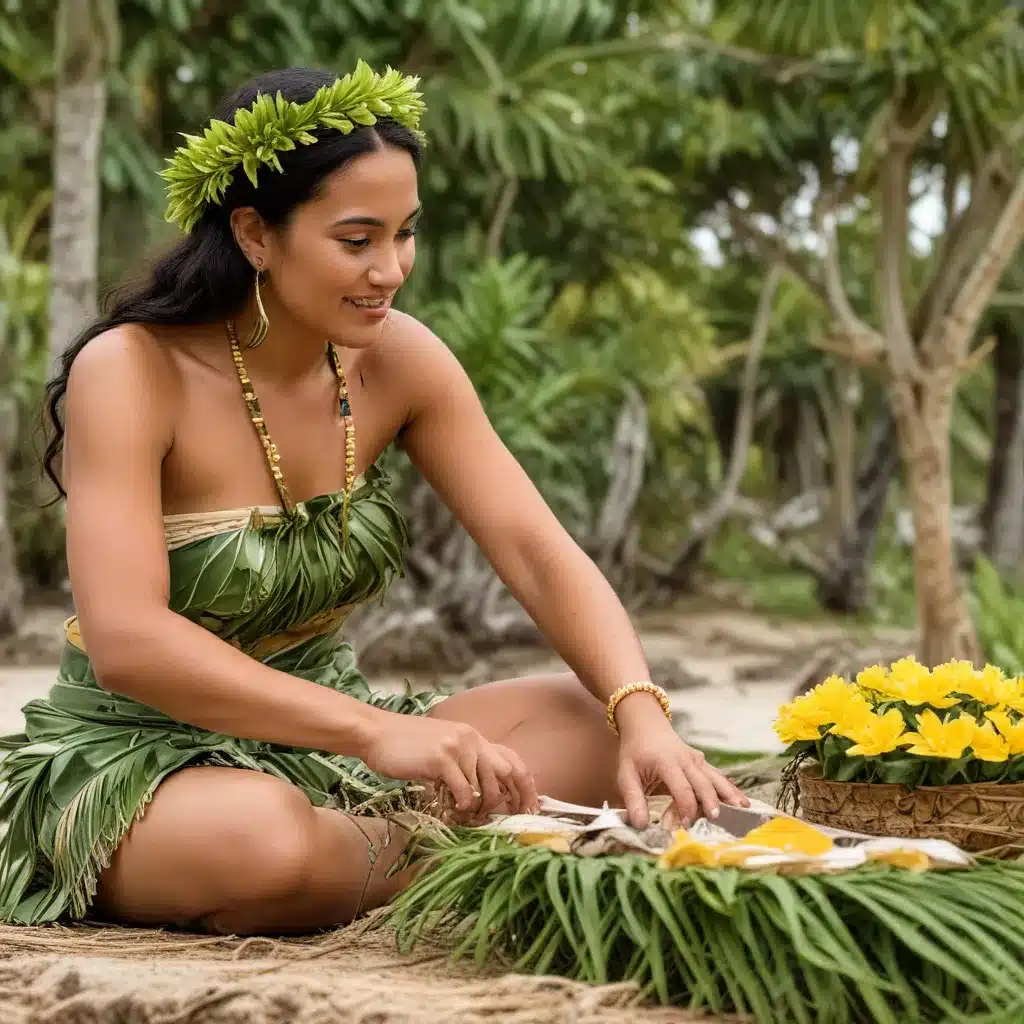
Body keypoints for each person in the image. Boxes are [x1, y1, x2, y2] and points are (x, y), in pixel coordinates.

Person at [0, 62, 746, 935]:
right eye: (357, 241)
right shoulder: (131, 370)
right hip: (138, 757)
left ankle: (374, 852)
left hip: (336, 752)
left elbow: (538, 554)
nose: (391, 270)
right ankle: (452, 850)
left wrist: (642, 711)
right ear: (254, 234)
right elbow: (128, 642)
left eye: (405, 234)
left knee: (586, 724)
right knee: (264, 842)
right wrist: (369, 735)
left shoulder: (401, 359)